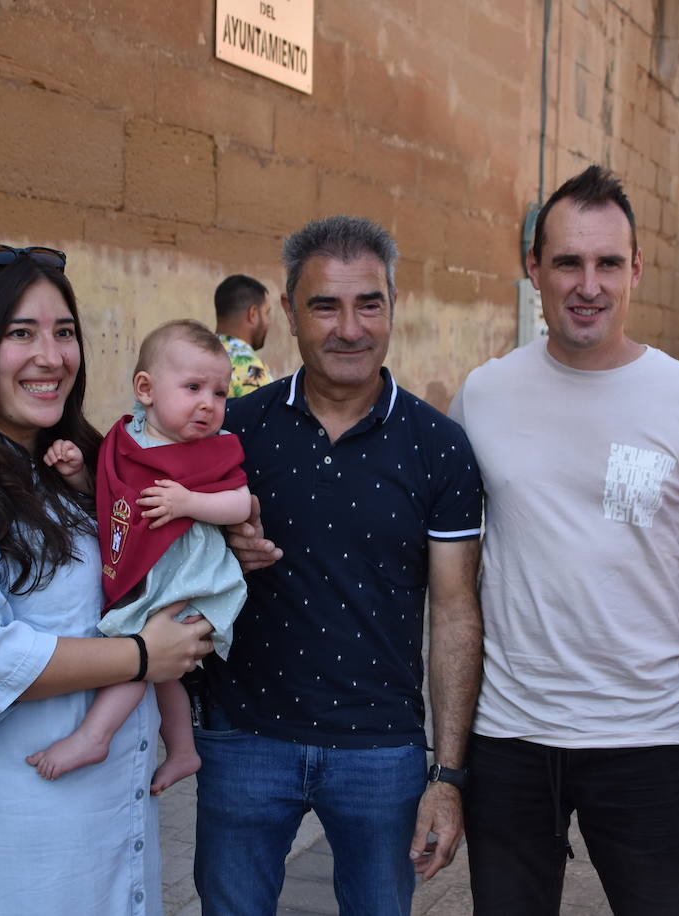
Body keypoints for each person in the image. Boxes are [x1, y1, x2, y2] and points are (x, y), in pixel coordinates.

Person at [0, 244, 215, 914]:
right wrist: (144, 655)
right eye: (19, 333)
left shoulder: (67, 465)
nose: (51, 357)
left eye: (64, 332)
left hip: (112, 812)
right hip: (22, 827)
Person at [449, 165, 679, 915]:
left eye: (608, 262)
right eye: (568, 262)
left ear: (635, 270)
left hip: (648, 739)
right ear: (533, 270)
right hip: (510, 734)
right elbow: (447, 563)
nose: (589, 284)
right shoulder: (483, 395)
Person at [188, 216, 485, 916]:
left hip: (380, 753)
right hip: (244, 740)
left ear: (392, 307)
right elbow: (156, 545)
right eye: (325, 305)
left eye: (368, 304)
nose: (349, 328)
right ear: (288, 313)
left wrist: (446, 775)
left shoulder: (440, 447)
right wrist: (215, 549)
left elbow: (453, 611)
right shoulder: (235, 431)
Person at [26, 320, 251, 795]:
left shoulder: (213, 452)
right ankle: (185, 750)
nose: (209, 404)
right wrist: (76, 475)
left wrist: (190, 503)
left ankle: (95, 735)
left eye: (219, 392)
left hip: (193, 577)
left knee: (140, 648)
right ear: (146, 389)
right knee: (162, 666)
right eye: (193, 388)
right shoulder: (126, 442)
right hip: (151, 572)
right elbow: (110, 498)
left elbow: (239, 504)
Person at [214, 273, 274, 397]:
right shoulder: (252, 372)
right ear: (252, 314)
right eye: (266, 313)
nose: (268, 322)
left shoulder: (195, 357)